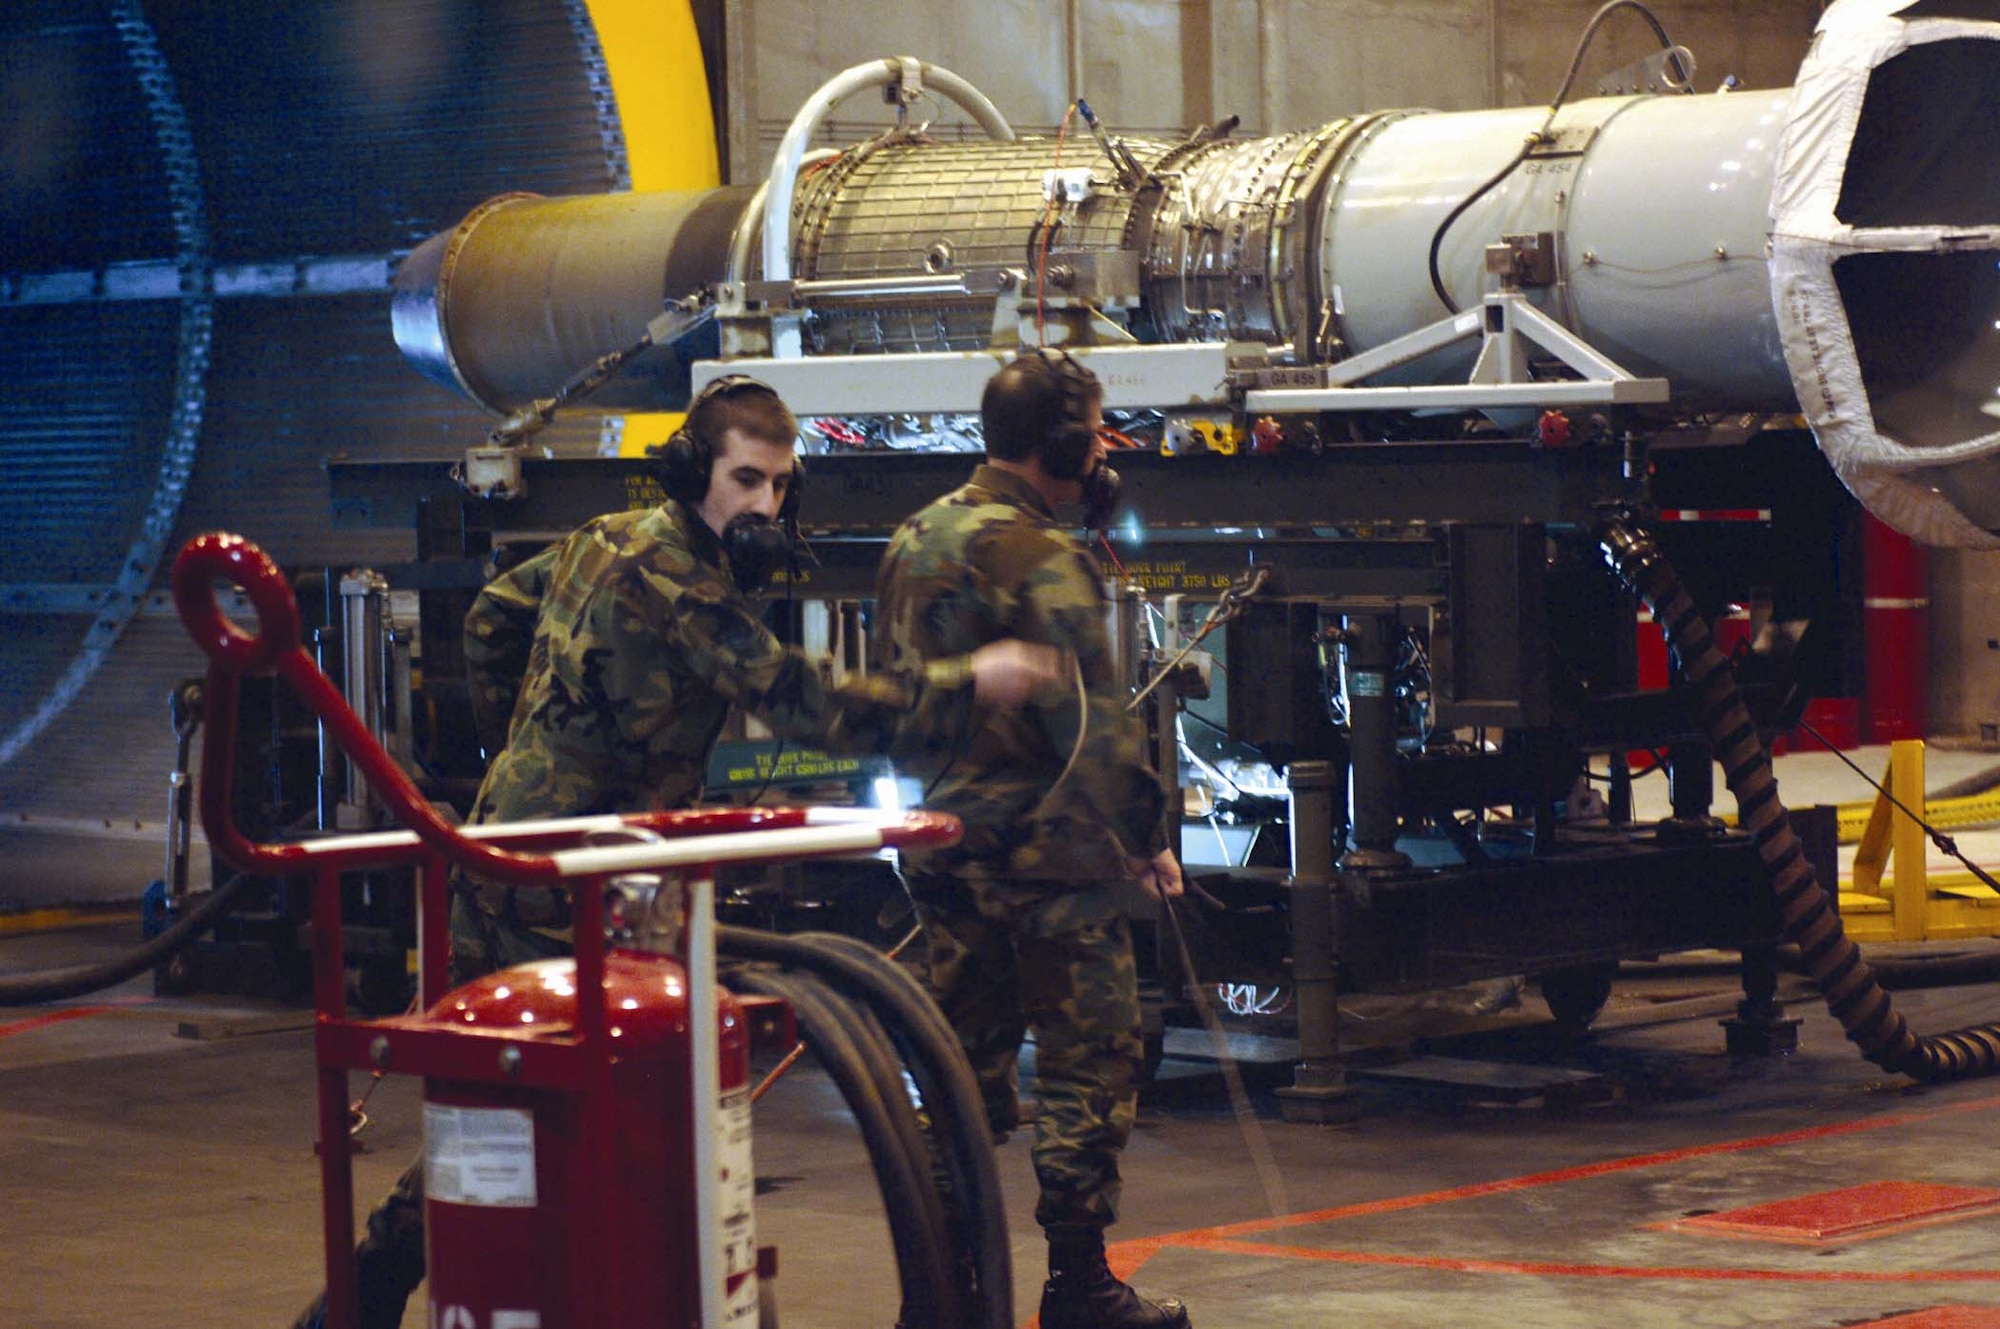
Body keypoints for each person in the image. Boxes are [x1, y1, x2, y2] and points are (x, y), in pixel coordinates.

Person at [295, 375, 1063, 1329]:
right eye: (747, 480)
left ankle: (386, 1295)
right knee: (541, 1092)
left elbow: (495, 614)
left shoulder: (602, 539)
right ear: (697, 472)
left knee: (526, 1091)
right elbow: (805, 703)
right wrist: (968, 682)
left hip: (528, 837)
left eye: (781, 486)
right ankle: (397, 1290)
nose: (765, 506)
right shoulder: (678, 579)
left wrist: (528, 743)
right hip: (560, 870)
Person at [872, 348, 1192, 1329]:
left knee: (955, 1065)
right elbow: (1090, 723)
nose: (1105, 449)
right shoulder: (1045, 557)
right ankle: (1079, 1285)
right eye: (1096, 430)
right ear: (1059, 441)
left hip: (939, 845)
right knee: (1086, 1063)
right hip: (1051, 860)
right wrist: (1146, 834)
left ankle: (944, 1293)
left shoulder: (914, 538)